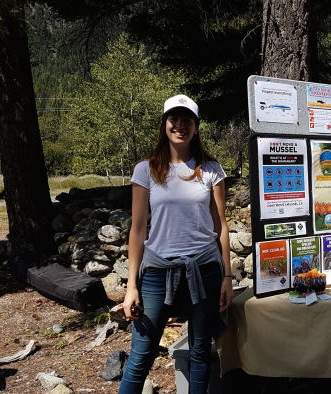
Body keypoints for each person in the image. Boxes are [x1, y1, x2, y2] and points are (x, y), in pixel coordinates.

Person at [119, 94, 233, 393]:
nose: (180, 125)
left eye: (187, 120)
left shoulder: (211, 169)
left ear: (196, 126)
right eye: (174, 119)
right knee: (141, 354)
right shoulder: (146, 169)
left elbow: (220, 225)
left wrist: (226, 276)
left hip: (205, 268)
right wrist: (132, 285)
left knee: (199, 351)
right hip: (158, 271)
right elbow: (138, 228)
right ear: (165, 124)